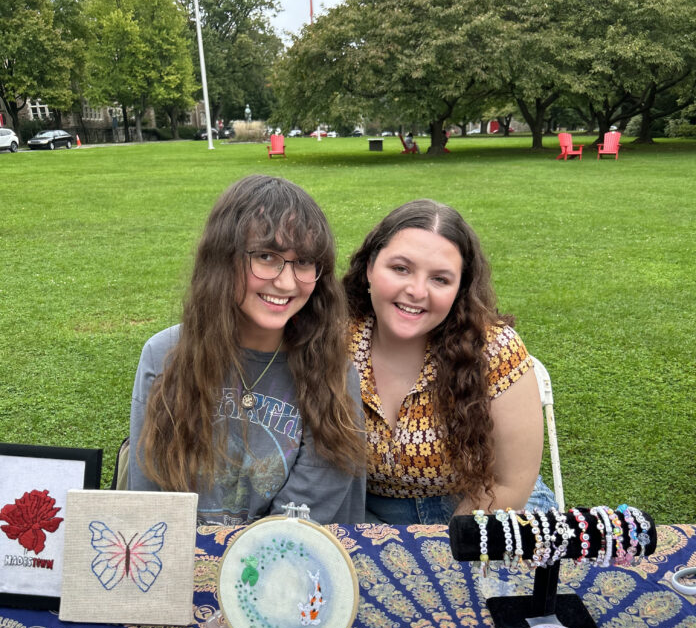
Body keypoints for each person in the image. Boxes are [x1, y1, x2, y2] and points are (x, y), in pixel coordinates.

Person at [129, 174, 366, 525]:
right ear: (222, 259)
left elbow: (313, 500)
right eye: (266, 256)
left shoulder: (331, 368)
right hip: (186, 561)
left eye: (303, 262)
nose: (286, 282)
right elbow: (149, 490)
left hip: (284, 560)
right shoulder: (165, 355)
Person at [343, 198, 556, 525]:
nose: (416, 290)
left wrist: (448, 547)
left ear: (459, 289)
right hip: (371, 515)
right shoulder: (333, 341)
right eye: (401, 268)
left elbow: (510, 483)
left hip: (490, 506)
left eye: (440, 279)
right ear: (370, 267)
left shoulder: (494, 351)